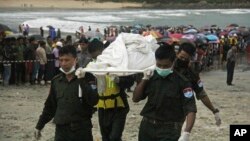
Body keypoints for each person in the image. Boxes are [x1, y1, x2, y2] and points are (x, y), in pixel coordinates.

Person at [133, 43, 197, 141]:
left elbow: (191, 109)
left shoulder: (182, 82)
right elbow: (136, 98)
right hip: (147, 126)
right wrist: (144, 79)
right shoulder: (151, 77)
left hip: (169, 130)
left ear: (173, 62)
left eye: (166, 66)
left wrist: (186, 133)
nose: (162, 68)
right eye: (159, 65)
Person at [34, 45, 99, 141]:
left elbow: (94, 100)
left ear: (75, 60)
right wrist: (39, 126)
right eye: (61, 60)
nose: (63, 63)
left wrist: (81, 81)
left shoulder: (87, 77)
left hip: (81, 131)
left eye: (67, 60)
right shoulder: (56, 81)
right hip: (61, 131)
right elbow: (50, 106)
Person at [81, 39, 134, 141]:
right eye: (94, 58)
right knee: (105, 137)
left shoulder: (116, 63)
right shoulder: (91, 66)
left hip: (118, 106)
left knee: (114, 137)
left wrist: (118, 79)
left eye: (98, 57)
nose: (97, 60)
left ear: (103, 51)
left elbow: (130, 81)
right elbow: (88, 88)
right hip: (102, 107)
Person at [174, 42, 221, 126]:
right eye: (181, 57)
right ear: (177, 54)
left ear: (190, 59)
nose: (183, 60)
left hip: (177, 114)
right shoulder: (166, 66)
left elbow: (202, 94)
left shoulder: (192, 74)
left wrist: (214, 110)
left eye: (186, 59)